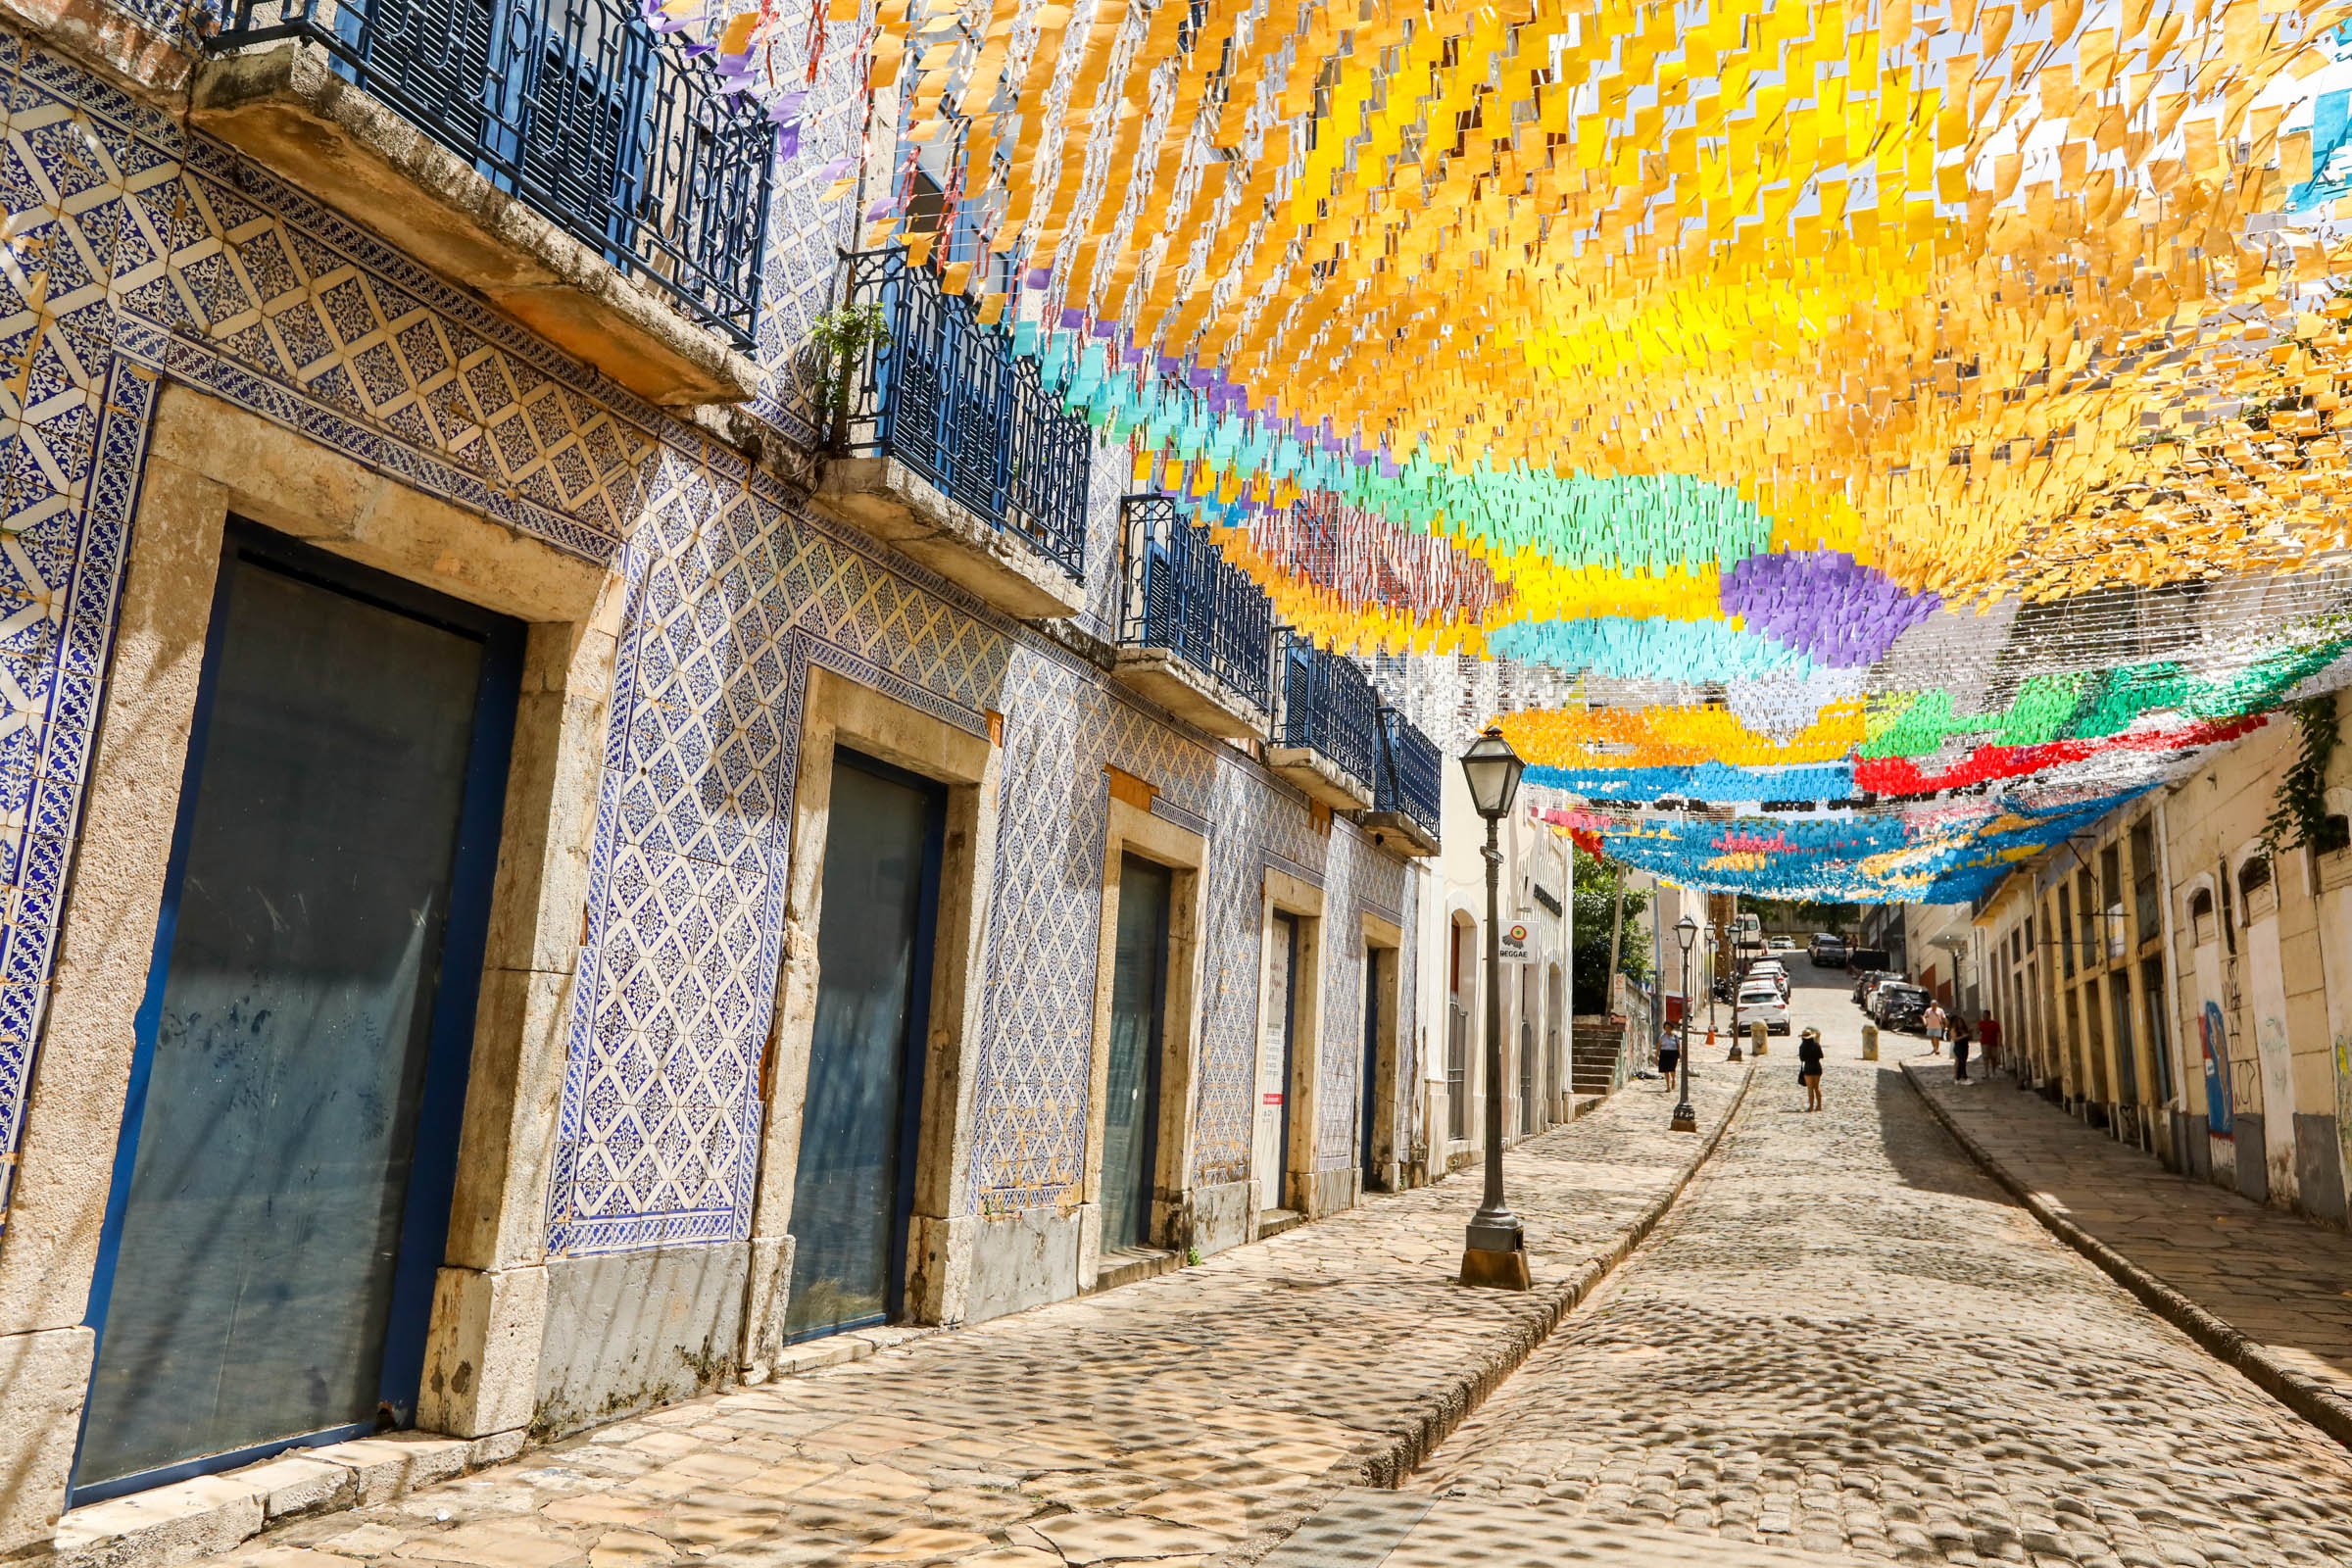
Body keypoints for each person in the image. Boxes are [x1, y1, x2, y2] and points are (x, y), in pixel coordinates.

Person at [1797, 1026, 1826, 1111]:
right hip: (1817, 1067)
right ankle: (1819, 1106)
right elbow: (1821, 1056)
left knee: (1810, 1088)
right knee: (1816, 1087)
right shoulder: (1817, 1045)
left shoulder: (1802, 1047)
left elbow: (1802, 1059)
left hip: (1808, 1068)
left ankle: (1811, 1107)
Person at [1951, 1010, 1974, 1082]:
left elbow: (1970, 1038)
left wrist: (1970, 1034)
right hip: (1958, 1047)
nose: (1960, 1024)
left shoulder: (1965, 1029)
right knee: (1960, 1061)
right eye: (1959, 1023)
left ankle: (1961, 1077)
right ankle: (1961, 1077)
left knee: (1964, 1061)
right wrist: (1963, 1036)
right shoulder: (1954, 1030)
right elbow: (1955, 1039)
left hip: (1965, 1047)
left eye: (1961, 1022)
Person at [1978, 1010, 2002, 1074]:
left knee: (1993, 1058)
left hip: (1993, 1043)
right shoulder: (1981, 1023)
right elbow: (1978, 1031)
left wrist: (1999, 1043)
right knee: (1985, 1057)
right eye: (1983, 1015)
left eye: (1985, 1015)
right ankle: (1986, 1072)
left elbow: (1998, 1034)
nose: (1984, 1017)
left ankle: (1993, 1071)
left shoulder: (1994, 1024)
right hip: (1984, 1043)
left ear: (1989, 1016)